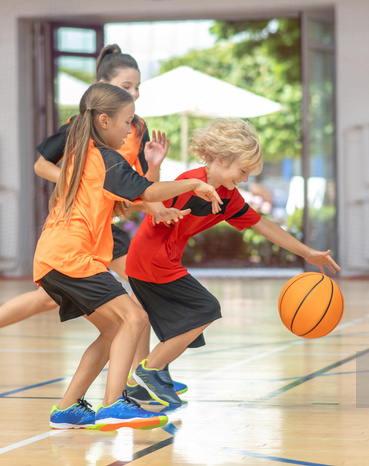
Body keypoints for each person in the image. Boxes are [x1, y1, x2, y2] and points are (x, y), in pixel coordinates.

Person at [0, 44, 188, 395]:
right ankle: (141, 378)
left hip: (109, 221)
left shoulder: (136, 127)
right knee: (135, 299)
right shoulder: (80, 128)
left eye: (138, 87)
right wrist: (80, 182)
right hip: (78, 225)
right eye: (127, 86)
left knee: (57, 297)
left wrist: (156, 193)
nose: (135, 93)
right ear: (103, 90)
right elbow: (41, 166)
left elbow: (141, 186)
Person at [30, 82, 222, 430]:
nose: (130, 130)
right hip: (71, 256)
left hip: (55, 257)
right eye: (126, 122)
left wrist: (158, 207)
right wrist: (193, 184)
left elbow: (131, 200)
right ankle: (113, 403)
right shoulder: (105, 158)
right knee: (134, 315)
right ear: (104, 121)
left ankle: (68, 407)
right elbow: (147, 189)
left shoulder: (81, 154)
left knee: (113, 331)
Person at [124, 118, 341, 406]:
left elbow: (262, 224)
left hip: (161, 262)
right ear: (222, 159)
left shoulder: (228, 197)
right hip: (151, 261)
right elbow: (151, 199)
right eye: (243, 171)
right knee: (205, 308)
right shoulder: (190, 181)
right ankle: (149, 371)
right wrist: (154, 171)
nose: (246, 179)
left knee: (169, 319)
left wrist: (306, 253)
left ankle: (141, 383)